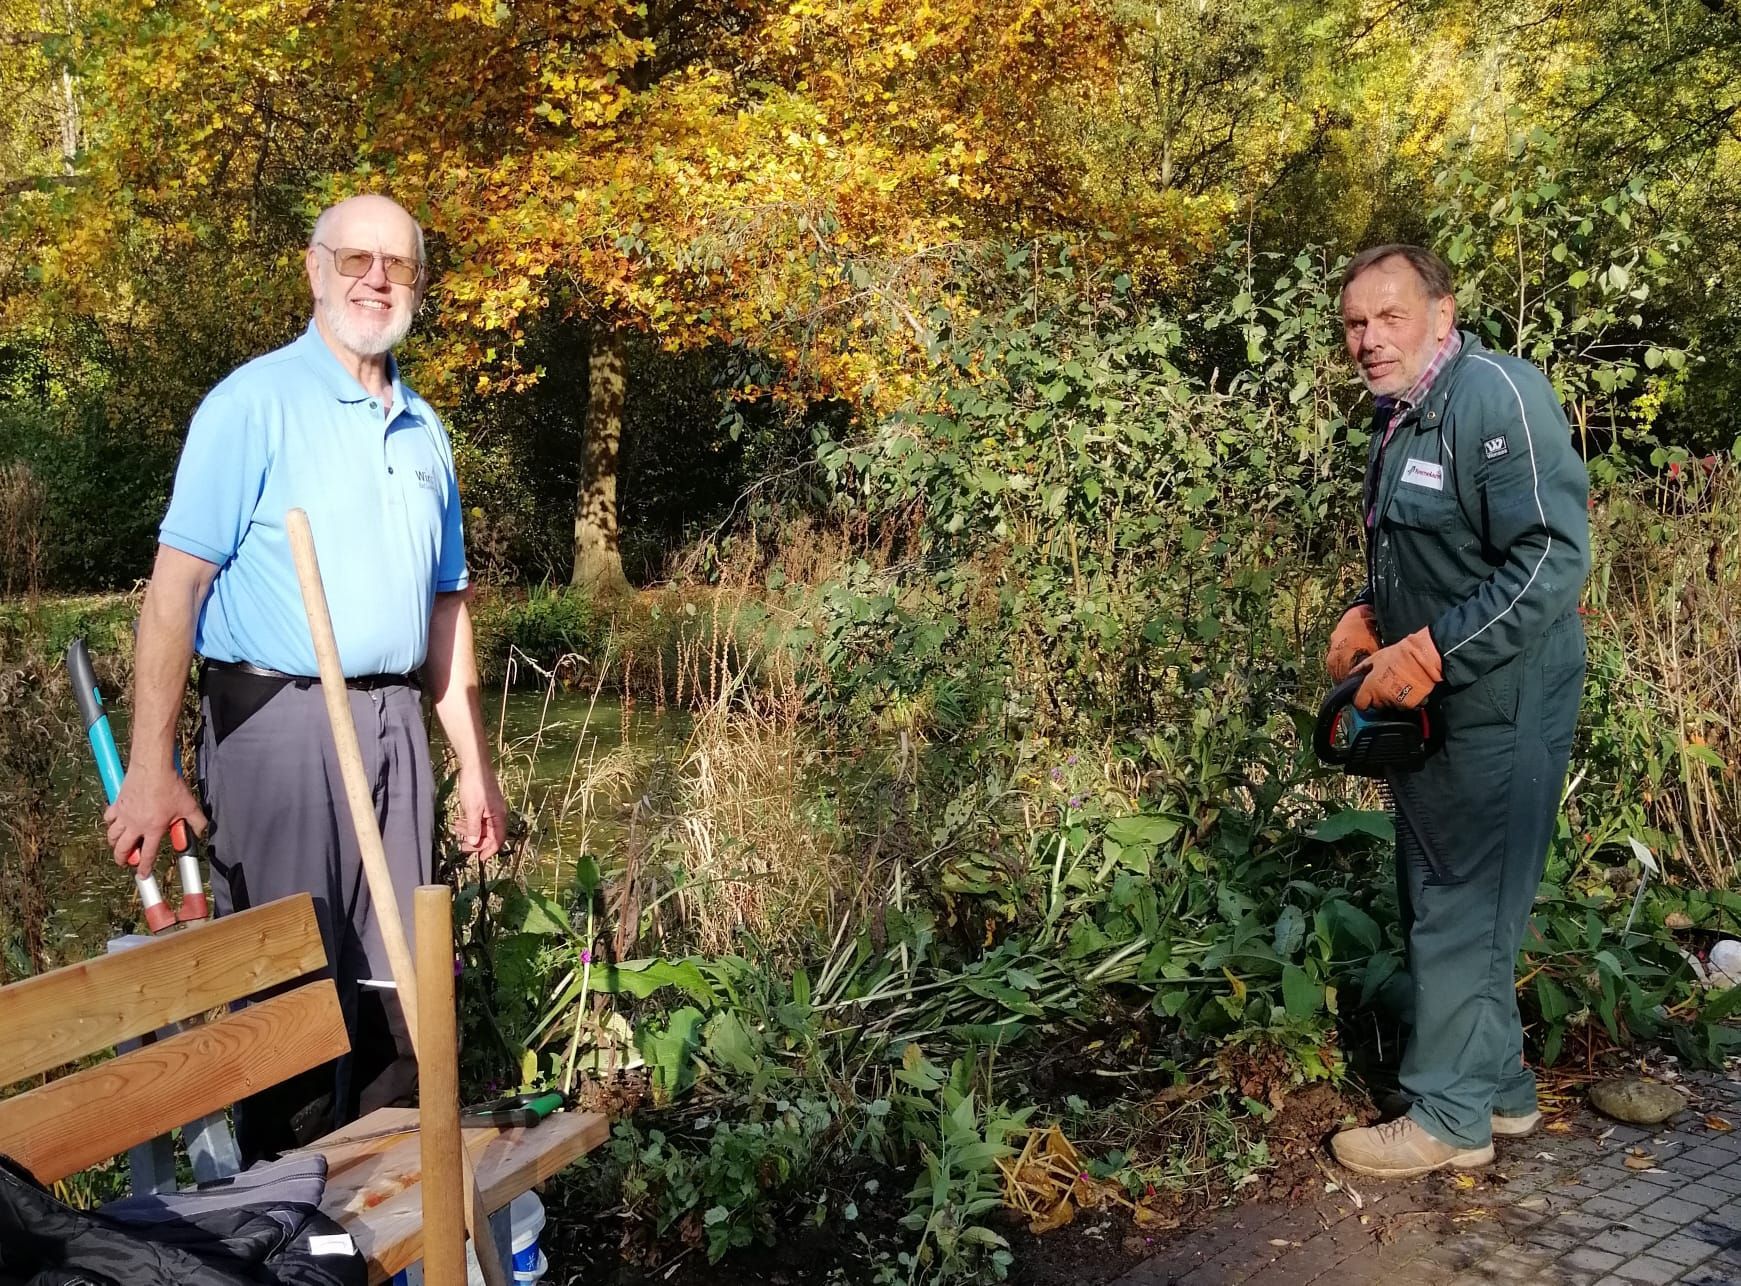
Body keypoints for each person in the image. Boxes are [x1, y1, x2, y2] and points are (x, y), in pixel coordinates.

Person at [104, 193, 507, 1162]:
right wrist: (152, 764)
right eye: (356, 258)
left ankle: (396, 1203)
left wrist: (476, 769)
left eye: (398, 264)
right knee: (289, 988)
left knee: (396, 985)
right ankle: (291, 1219)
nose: (377, 278)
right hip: (278, 723)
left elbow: (445, 610)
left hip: (393, 723)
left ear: (418, 283)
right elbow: (175, 592)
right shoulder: (251, 407)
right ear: (315, 269)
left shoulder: (426, 432)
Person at [1324, 245, 1590, 1179]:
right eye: (1355, 323)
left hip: (1503, 695)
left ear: (1441, 313)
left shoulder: (1493, 399)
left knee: (1458, 899)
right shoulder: (1400, 415)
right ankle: (1500, 1091)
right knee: (1440, 886)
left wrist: (1434, 649)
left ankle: (1446, 1120)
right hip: (1435, 701)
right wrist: (1370, 612)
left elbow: (1552, 560)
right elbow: (1432, 549)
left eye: (1389, 317)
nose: (1368, 339)